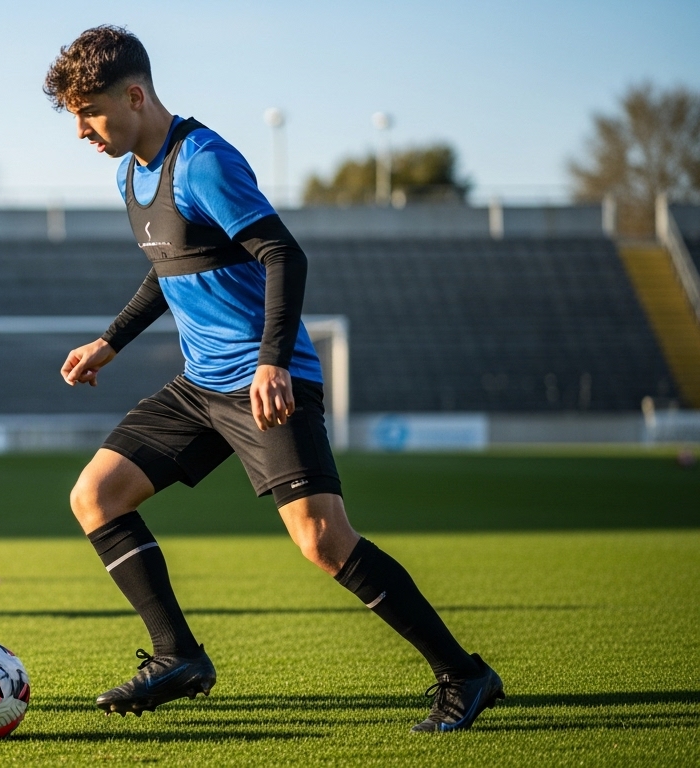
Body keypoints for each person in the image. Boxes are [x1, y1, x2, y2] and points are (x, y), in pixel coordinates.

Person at [43, 26, 504, 733]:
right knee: (95, 496)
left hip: (267, 380)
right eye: (73, 116)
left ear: (135, 95)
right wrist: (110, 341)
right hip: (201, 388)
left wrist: (272, 362)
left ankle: (465, 675)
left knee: (323, 542)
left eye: (91, 112)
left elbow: (284, 256)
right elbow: (169, 268)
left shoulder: (202, 160)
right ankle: (178, 657)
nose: (80, 130)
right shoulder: (128, 174)